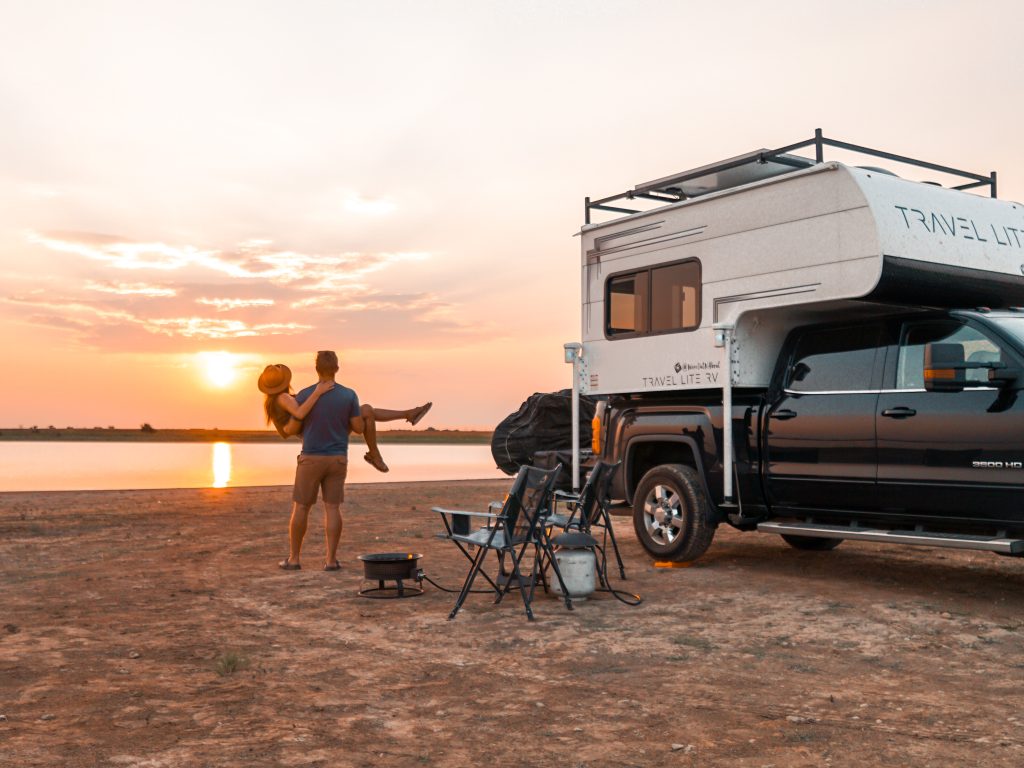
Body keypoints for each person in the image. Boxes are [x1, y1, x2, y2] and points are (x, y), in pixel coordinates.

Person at [266, 351, 430, 571]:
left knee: (302, 507)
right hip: (338, 459)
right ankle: (331, 561)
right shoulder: (348, 395)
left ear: (316, 369)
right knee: (332, 509)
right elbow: (358, 427)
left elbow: (294, 426)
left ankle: (294, 559)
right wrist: (365, 418)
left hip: (311, 457)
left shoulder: (303, 395)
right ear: (337, 368)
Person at [258, 363, 430, 473]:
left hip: (320, 429)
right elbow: (298, 416)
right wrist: (318, 393)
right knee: (366, 410)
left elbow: (289, 427)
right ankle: (376, 453)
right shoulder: (284, 398)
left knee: (367, 410)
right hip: (321, 431)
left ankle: (407, 415)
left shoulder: (275, 402)